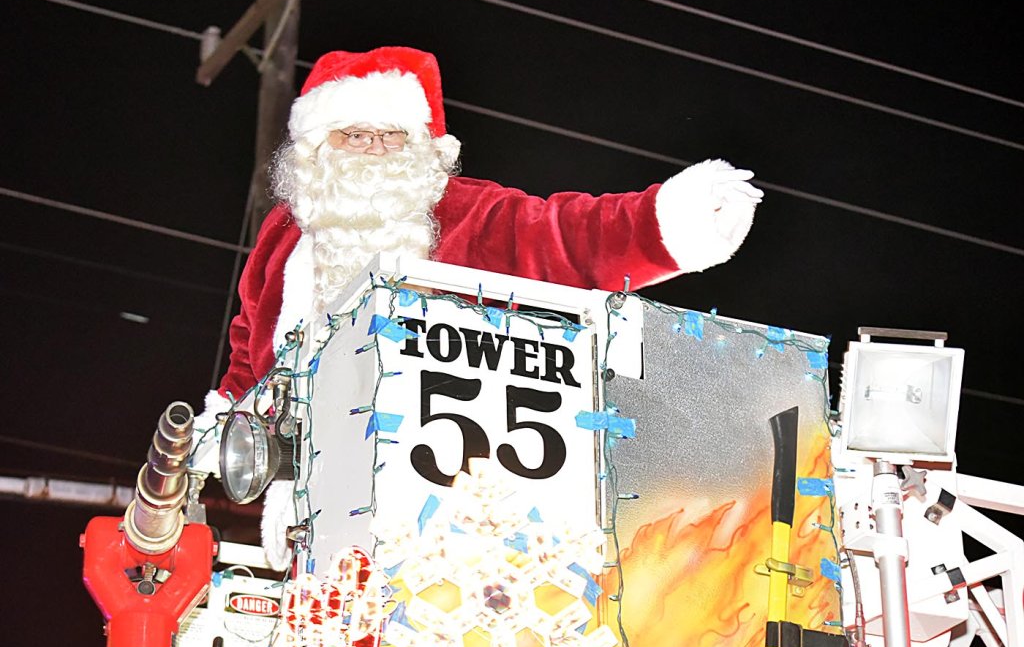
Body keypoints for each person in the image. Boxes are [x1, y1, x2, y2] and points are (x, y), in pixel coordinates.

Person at [201, 46, 763, 566]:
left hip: (461, 495)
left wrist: (666, 221)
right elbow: (251, 351)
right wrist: (225, 419)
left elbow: (568, 237)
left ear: (424, 147)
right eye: (354, 135)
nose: (373, 151)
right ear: (318, 149)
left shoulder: (470, 214)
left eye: (391, 137)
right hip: (310, 507)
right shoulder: (284, 239)